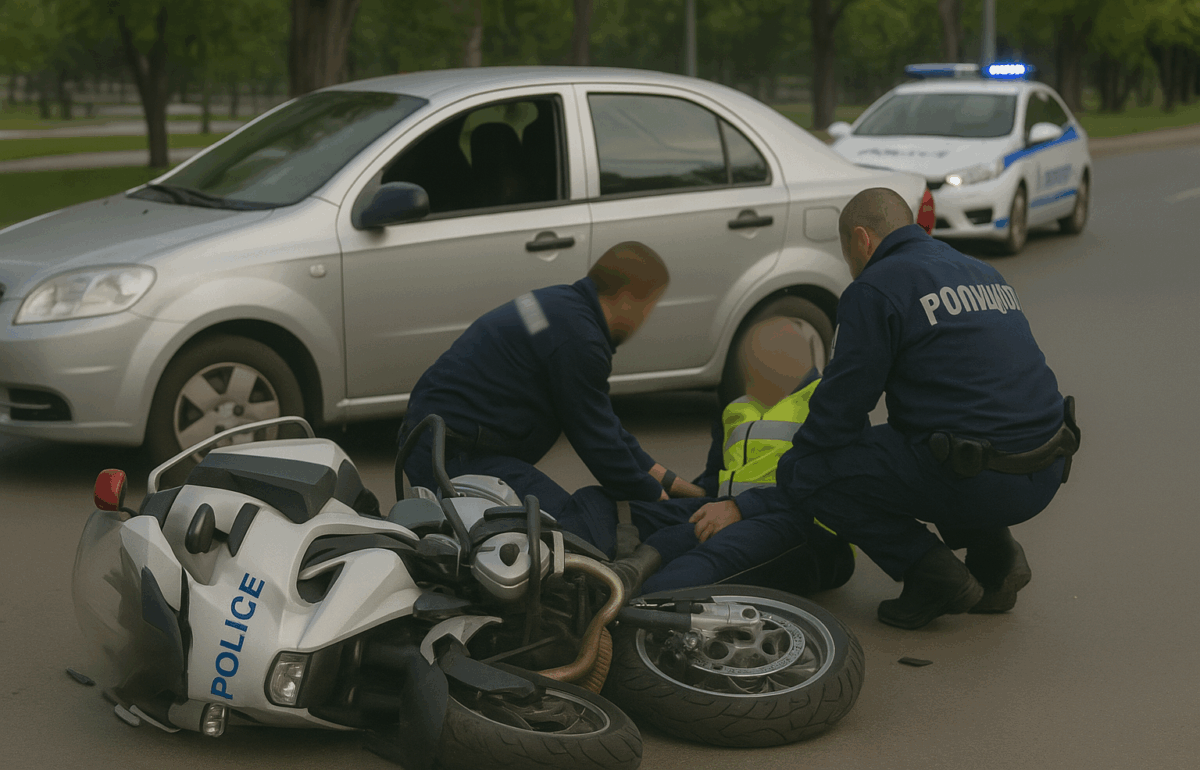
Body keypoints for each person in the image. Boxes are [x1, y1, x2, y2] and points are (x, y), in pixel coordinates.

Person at [691, 187, 1079, 629]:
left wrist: (776, 486)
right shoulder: (980, 270)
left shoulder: (876, 287)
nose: (851, 266)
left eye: (847, 255)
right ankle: (996, 560)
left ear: (862, 240)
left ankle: (932, 574)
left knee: (816, 470)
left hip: (978, 479)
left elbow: (838, 415)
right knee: (933, 439)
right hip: (1045, 469)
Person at [397, 241, 705, 518]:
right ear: (627, 300)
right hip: (450, 452)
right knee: (566, 527)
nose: (644, 321)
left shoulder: (560, 304)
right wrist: (660, 502)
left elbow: (603, 423)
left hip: (435, 435)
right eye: (647, 308)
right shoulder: (579, 340)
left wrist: (672, 483)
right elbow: (598, 442)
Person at [551, 317, 854, 598]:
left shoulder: (827, 401)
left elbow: (832, 486)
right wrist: (670, 500)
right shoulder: (737, 409)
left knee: (691, 566)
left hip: (805, 527)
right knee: (601, 502)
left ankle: (631, 599)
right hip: (729, 511)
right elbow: (714, 480)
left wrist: (741, 507)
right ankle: (557, 574)